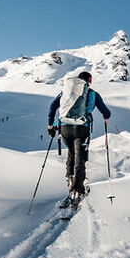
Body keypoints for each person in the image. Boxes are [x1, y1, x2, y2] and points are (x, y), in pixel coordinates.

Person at [47, 71, 111, 203]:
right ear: (89, 80)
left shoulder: (66, 92)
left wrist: (50, 125)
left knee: (71, 153)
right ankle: (78, 189)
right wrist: (106, 116)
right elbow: (106, 112)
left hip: (64, 129)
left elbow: (53, 106)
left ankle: (70, 179)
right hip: (81, 129)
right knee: (80, 157)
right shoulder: (92, 93)